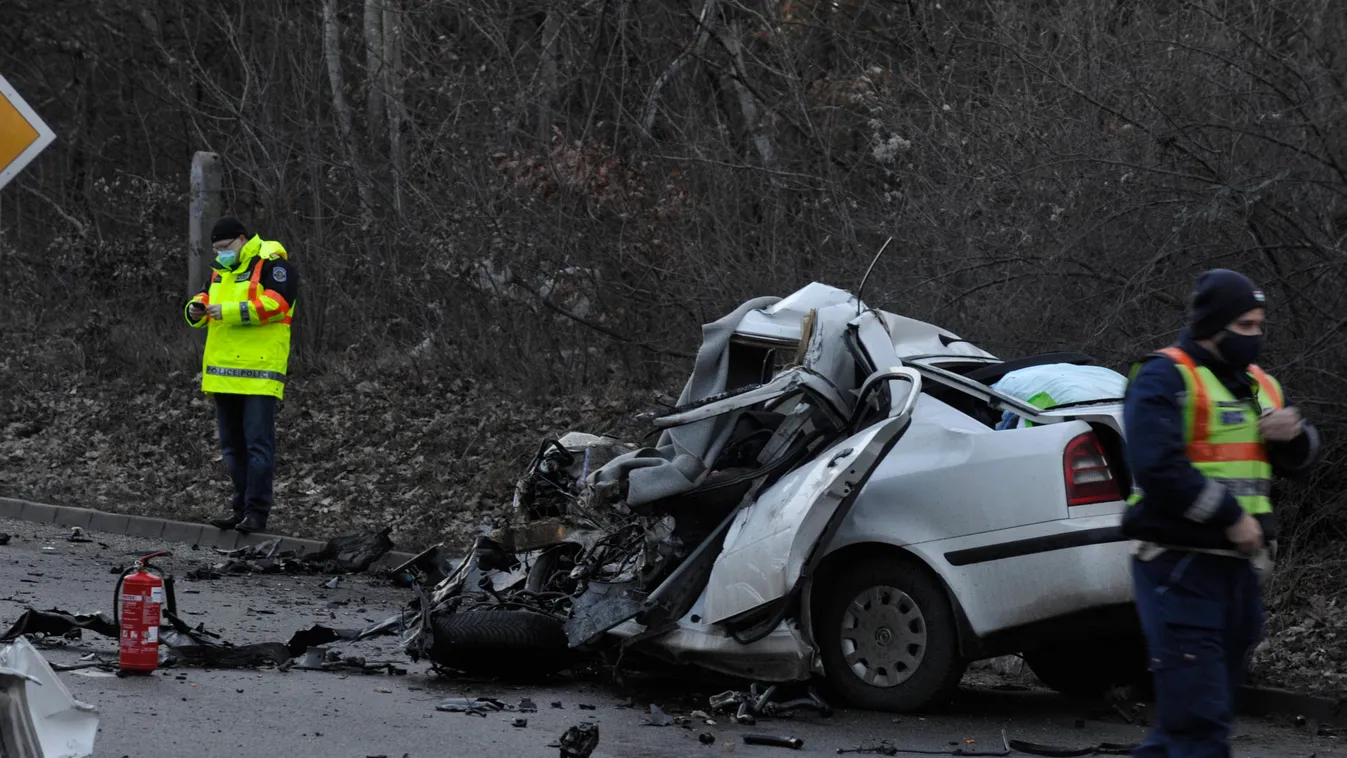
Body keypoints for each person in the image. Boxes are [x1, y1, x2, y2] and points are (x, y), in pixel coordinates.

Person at [1121, 269, 1320, 757]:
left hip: (1237, 575)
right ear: (1214, 325)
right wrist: (1230, 516)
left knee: (1190, 724)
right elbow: (1158, 468)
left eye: (1259, 326)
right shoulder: (1163, 376)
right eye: (1246, 326)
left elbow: (1308, 455)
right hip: (1178, 567)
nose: (1256, 337)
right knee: (1199, 725)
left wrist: (1292, 437)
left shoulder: (1260, 385)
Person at [185, 216, 298, 534]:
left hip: (260, 371)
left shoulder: (273, 264)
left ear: (242, 238)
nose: (221, 253)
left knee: (257, 446)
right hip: (224, 374)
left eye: (225, 247)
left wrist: (230, 312)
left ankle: (257, 513)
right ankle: (240, 509)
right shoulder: (221, 272)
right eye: (217, 249)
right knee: (232, 447)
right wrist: (195, 308)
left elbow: (278, 304)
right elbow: (206, 298)